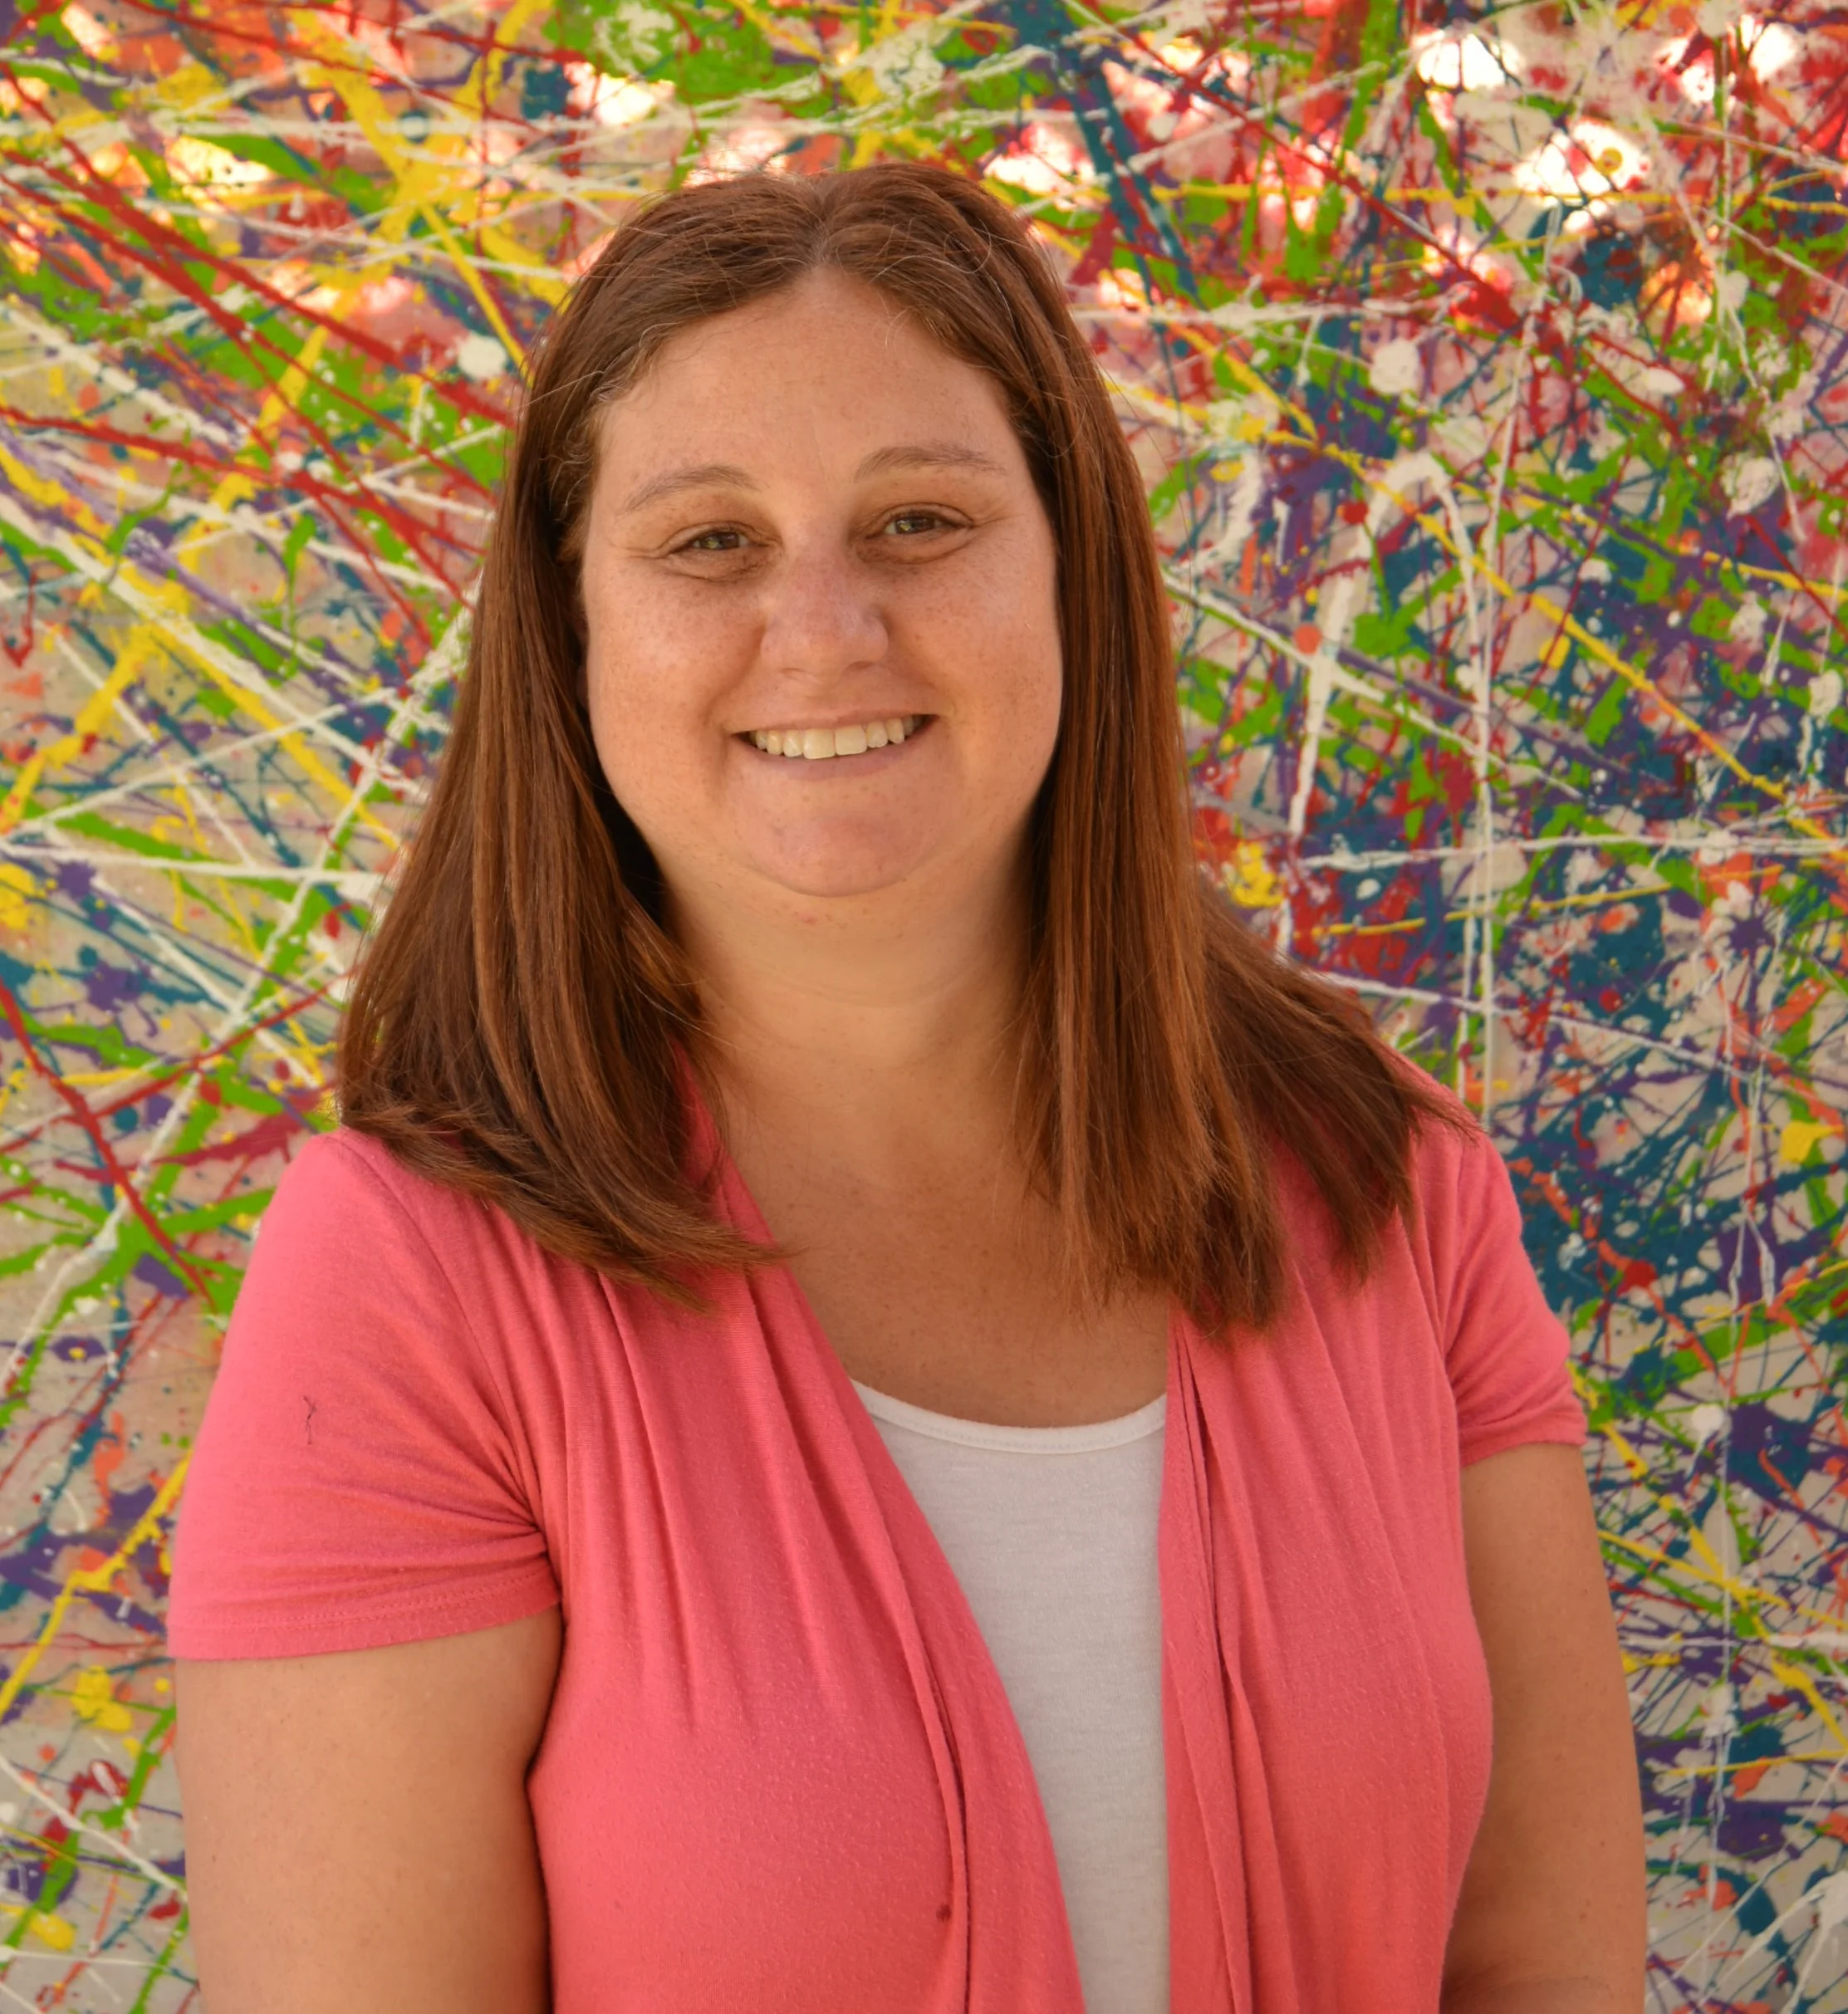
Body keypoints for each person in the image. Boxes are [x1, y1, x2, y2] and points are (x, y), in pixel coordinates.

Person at [169, 164, 1645, 2014]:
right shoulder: (407, 1286)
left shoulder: (1390, 1193)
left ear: (1071, 570)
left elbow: (1542, 1964)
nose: (824, 627)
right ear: (567, 632)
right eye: (707, 542)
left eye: (919, 520)